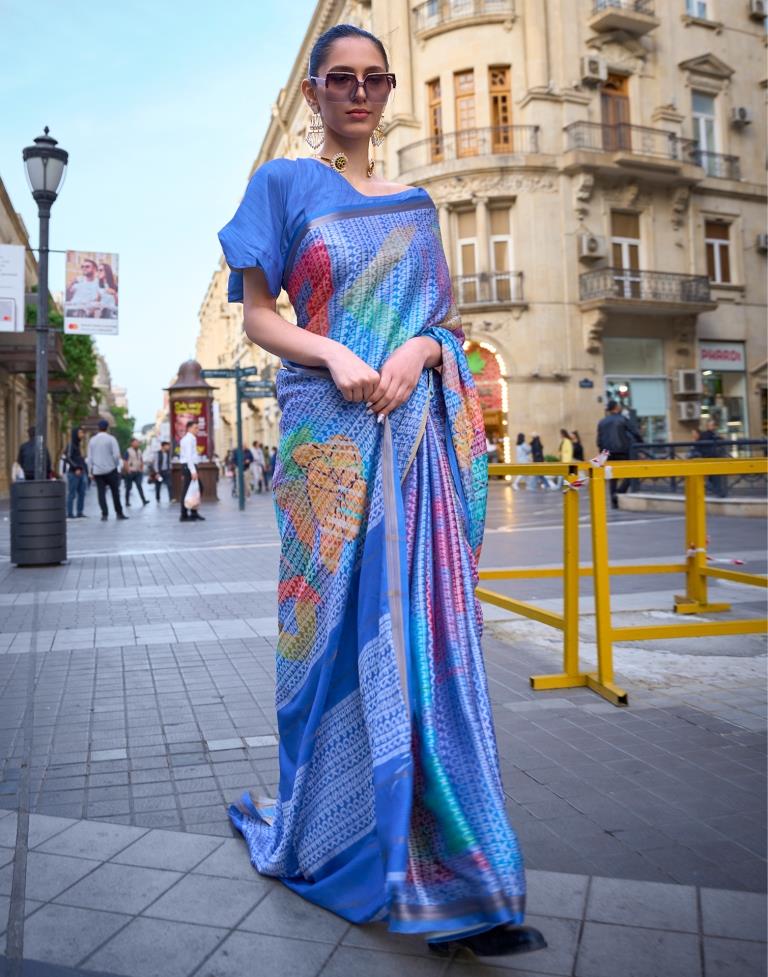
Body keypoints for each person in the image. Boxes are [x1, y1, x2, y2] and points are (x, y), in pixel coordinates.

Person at [218, 24, 543, 962]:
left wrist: (419, 349)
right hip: (330, 455)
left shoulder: (417, 204)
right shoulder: (284, 187)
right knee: (329, 655)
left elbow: (439, 323)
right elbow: (257, 314)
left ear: (388, 90)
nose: (357, 93)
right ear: (316, 93)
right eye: (339, 80)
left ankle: (461, 877)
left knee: (426, 650)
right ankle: (334, 837)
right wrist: (335, 352)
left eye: (373, 79)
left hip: (415, 451)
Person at [596, 400, 642, 509]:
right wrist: (641, 445)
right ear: (616, 407)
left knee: (612, 476)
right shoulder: (623, 419)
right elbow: (635, 432)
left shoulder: (602, 422)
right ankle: (619, 492)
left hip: (607, 452)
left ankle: (613, 499)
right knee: (632, 473)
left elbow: (598, 441)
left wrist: (602, 452)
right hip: (623, 450)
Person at [86, 419, 128, 521]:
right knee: (115, 492)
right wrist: (116, 466)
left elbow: (89, 458)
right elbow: (116, 455)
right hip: (111, 470)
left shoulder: (92, 440)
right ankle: (119, 513)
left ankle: (104, 514)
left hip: (97, 471)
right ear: (107, 428)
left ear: (98, 428)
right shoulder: (111, 439)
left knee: (101, 493)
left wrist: (89, 471)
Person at [690, 423, 728, 498]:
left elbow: (715, 440)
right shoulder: (701, 439)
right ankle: (717, 491)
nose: (693, 435)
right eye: (692, 434)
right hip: (704, 462)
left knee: (713, 477)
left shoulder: (705, 436)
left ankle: (718, 491)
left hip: (708, 460)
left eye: (694, 433)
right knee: (712, 478)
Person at [179, 420, 205, 521]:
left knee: (196, 489)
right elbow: (188, 456)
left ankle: (193, 512)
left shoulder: (192, 439)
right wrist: (193, 471)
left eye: (198, 428)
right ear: (189, 428)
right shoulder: (188, 439)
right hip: (189, 467)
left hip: (191, 466)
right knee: (187, 491)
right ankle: (184, 514)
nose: (197, 430)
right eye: (195, 428)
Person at [64, 426, 88, 518]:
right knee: (72, 493)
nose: (82, 435)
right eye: (80, 433)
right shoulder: (71, 445)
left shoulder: (79, 445)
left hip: (81, 472)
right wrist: (76, 468)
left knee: (82, 492)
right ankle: (69, 513)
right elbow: (68, 458)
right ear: (75, 434)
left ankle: (79, 512)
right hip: (74, 473)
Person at [123, 438, 150, 507]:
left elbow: (141, 460)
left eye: (137, 442)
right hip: (130, 471)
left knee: (139, 485)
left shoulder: (139, 451)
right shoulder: (128, 451)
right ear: (132, 443)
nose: (137, 444)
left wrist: (141, 468)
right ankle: (127, 502)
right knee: (128, 487)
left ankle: (144, 500)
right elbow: (125, 461)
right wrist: (127, 470)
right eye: (136, 442)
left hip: (138, 471)